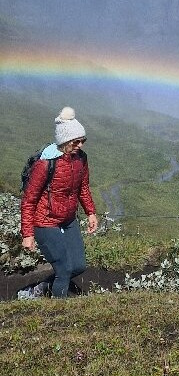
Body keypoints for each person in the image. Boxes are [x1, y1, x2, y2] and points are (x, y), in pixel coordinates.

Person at [20, 107, 99, 298]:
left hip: (68, 219)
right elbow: (29, 200)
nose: (80, 145)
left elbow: (83, 188)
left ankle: (41, 288)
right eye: (76, 141)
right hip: (45, 221)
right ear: (65, 141)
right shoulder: (45, 164)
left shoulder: (81, 159)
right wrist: (28, 234)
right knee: (64, 269)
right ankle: (59, 312)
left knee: (78, 266)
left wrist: (91, 212)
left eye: (83, 140)